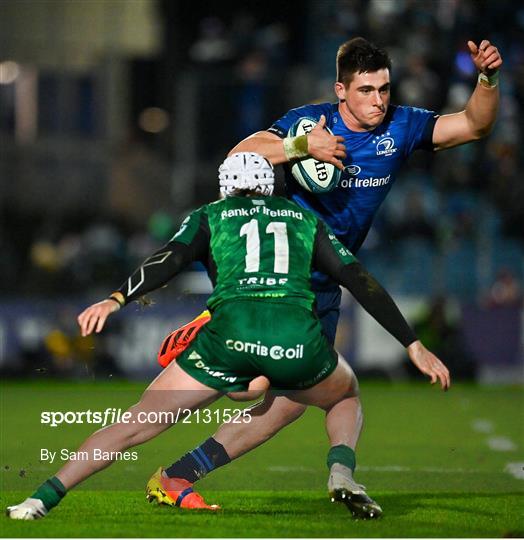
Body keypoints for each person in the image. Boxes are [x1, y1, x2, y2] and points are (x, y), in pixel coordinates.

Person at [7, 153, 450, 521]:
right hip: (295, 340)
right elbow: (358, 278)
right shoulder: (301, 218)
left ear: (225, 186)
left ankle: (40, 499)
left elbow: (169, 259)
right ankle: (341, 469)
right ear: (270, 186)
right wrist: (412, 343)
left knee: (134, 424)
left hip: (229, 337)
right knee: (344, 395)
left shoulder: (211, 216)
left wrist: (116, 298)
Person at [162, 37, 502, 511]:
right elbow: (241, 154)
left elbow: (473, 124)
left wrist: (486, 79)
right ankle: (221, 347)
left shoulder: (401, 126)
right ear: (340, 90)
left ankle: (180, 472)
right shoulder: (311, 121)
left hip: (327, 283)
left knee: (285, 403)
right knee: (272, 387)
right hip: (284, 274)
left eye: (384, 89)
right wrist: (302, 145)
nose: (378, 100)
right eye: (366, 90)